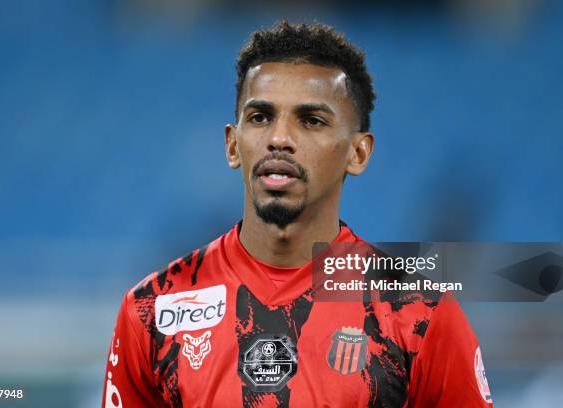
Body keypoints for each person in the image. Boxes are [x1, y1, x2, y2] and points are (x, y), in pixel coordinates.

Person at [102, 21, 493, 407]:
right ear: (233, 145)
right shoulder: (152, 309)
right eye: (260, 117)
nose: (280, 139)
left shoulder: (417, 310)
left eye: (311, 121)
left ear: (358, 153)